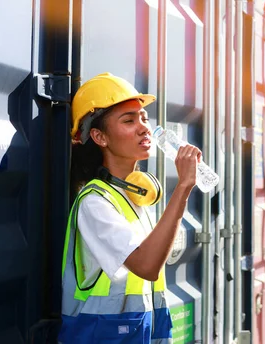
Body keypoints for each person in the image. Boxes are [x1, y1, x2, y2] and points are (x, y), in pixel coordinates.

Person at [58, 72, 200, 343]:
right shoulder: (95, 203)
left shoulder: (134, 197)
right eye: (129, 120)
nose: (144, 128)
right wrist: (182, 188)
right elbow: (147, 266)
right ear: (100, 137)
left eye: (144, 118)